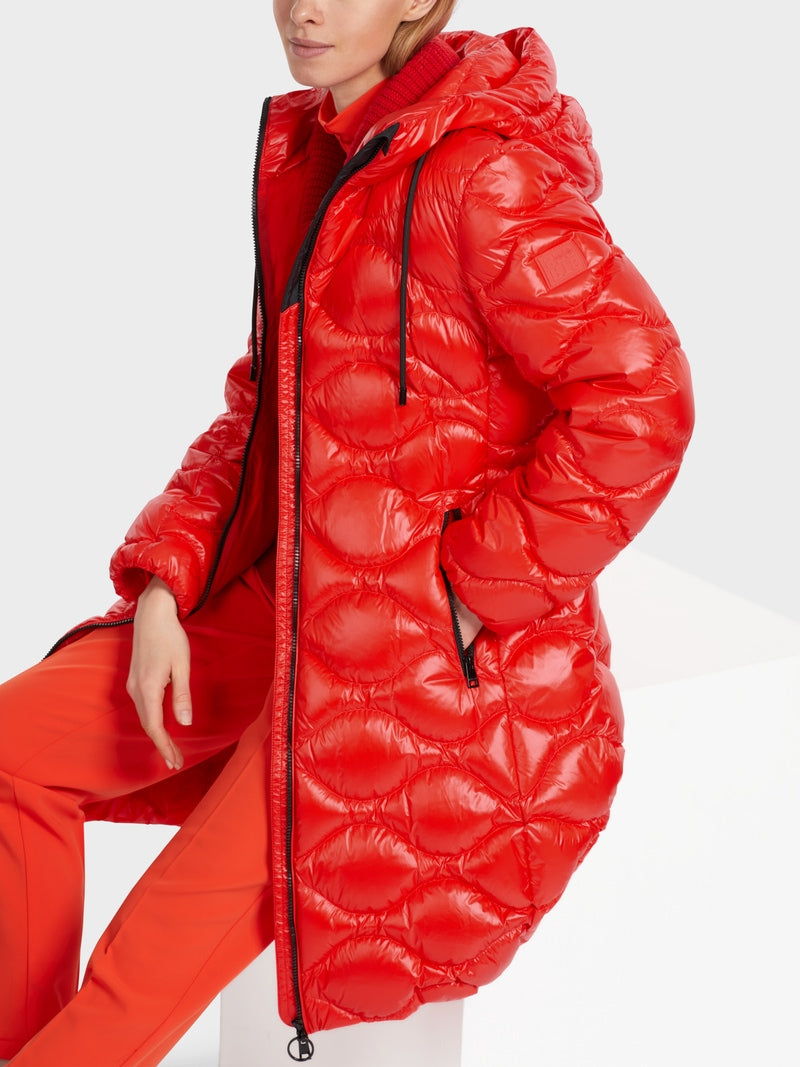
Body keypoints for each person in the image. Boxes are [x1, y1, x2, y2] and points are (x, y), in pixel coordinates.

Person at [0, 1, 694, 1063]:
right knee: (14, 752)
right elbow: (265, 408)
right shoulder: (322, 153)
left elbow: (641, 398)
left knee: (139, 971)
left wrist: (467, 591)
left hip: (419, 674)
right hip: (289, 607)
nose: (304, 8)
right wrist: (166, 583)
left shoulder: (485, 174)